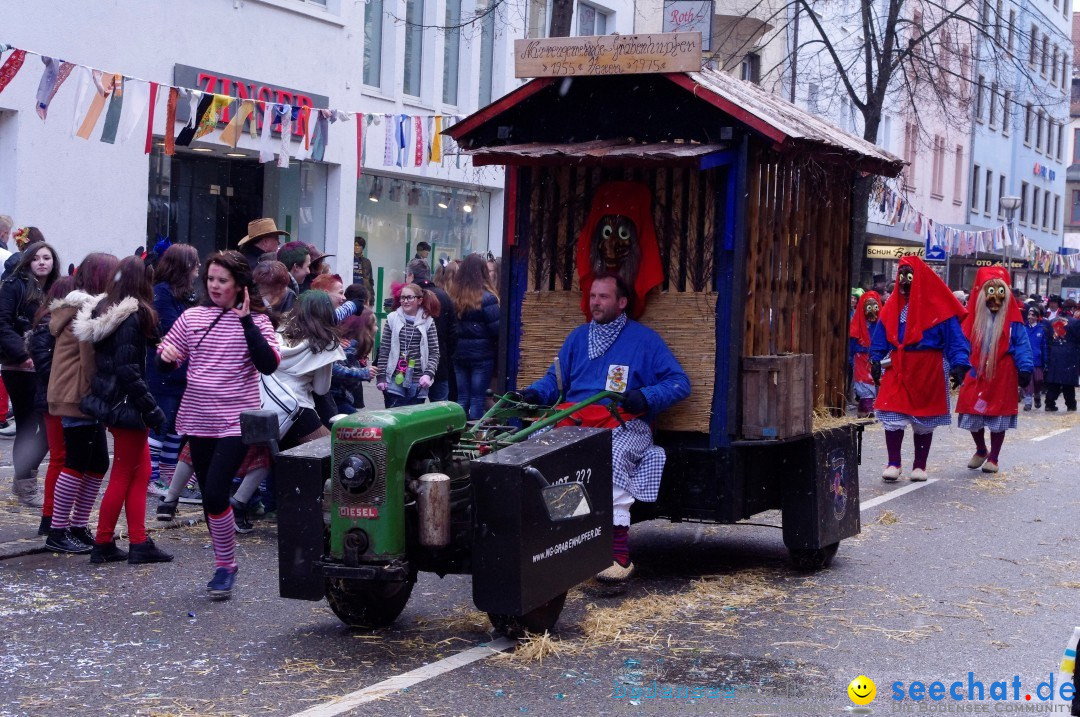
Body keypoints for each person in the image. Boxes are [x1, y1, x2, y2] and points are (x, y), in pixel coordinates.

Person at [520, 273, 690, 583]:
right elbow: (554, 382)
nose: (595, 302)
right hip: (575, 419)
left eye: (603, 296)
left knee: (612, 455)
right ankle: (564, 542)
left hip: (623, 423)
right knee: (538, 452)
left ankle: (618, 554)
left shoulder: (646, 341)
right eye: (593, 296)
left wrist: (646, 396)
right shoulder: (577, 337)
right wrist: (531, 393)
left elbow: (680, 383)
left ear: (622, 302)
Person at [158, 250, 280, 601]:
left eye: (222, 280)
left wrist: (244, 321)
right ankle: (224, 563)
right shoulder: (193, 317)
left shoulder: (257, 322)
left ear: (239, 285)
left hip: (234, 422)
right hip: (197, 418)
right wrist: (165, 359)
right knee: (212, 500)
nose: (214, 285)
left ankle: (225, 566)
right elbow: (167, 361)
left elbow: (269, 364)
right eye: (210, 279)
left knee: (213, 493)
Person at [75, 257, 173, 564]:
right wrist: (152, 410)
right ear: (142, 282)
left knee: (140, 473)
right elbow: (129, 371)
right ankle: (104, 541)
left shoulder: (109, 312)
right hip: (128, 407)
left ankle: (138, 542)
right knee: (123, 474)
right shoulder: (131, 318)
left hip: (114, 404)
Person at [870, 256, 970, 482]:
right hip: (899, 365)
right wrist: (875, 360)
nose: (905, 282)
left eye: (910, 276)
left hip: (928, 368)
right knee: (892, 411)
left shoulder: (939, 308)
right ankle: (893, 462)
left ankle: (919, 465)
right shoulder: (892, 307)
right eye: (902, 276)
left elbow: (956, 340)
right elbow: (880, 336)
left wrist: (959, 364)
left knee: (923, 421)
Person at [45, 253, 120, 554]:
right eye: (112, 274)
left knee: (98, 462)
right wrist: (101, 389)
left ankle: (77, 525)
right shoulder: (85, 309)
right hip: (78, 394)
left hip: (80, 393)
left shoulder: (85, 306)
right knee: (76, 462)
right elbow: (88, 360)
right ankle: (58, 530)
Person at [954, 267, 1033, 474]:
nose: (995, 300)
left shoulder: (1013, 323)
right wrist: (959, 364)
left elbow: (1023, 345)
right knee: (970, 409)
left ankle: (994, 457)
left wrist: (1025, 368)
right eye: (990, 292)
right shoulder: (972, 321)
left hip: (1002, 374)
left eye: (1000, 293)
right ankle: (981, 449)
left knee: (998, 416)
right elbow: (961, 344)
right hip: (975, 371)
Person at [0, 241, 59, 507]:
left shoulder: (55, 289)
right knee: (27, 423)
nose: (42, 262)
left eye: (47, 258)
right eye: (36, 258)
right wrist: (22, 354)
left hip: (47, 365)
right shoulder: (15, 285)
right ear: (28, 262)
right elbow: (1, 322)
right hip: (19, 367)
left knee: (48, 425)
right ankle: (25, 485)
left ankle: (25, 478)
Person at [146, 244, 200, 499]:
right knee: (161, 425)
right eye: (195, 264)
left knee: (176, 429)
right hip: (164, 372)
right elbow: (172, 330)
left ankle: (168, 476)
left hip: (181, 373)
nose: (199, 270)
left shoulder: (181, 295)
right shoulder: (162, 293)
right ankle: (151, 477)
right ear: (183, 267)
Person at [28, 275, 74, 535]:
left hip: (56, 397)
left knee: (63, 457)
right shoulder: (49, 324)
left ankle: (54, 517)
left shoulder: (54, 322)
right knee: (60, 457)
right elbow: (46, 367)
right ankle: (50, 517)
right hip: (53, 400)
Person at [449, 254, 498, 419]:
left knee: (462, 397)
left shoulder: (453, 297)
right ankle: (474, 436)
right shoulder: (488, 298)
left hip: (459, 354)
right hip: (482, 355)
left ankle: (458, 434)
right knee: (477, 398)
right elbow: (496, 329)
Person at [376, 282, 440, 408]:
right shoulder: (392, 319)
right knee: (394, 416)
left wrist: (428, 374)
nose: (405, 301)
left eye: (409, 297)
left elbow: (434, 352)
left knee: (413, 421)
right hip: (395, 377)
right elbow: (384, 349)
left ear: (419, 300)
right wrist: (381, 376)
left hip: (418, 379)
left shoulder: (428, 321)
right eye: (402, 297)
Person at [407, 258, 457, 402]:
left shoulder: (407, 298)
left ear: (410, 276)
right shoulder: (443, 296)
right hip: (440, 363)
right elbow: (453, 333)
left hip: (412, 366)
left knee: (411, 413)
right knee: (441, 411)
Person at [329, 311, 375, 415]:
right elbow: (334, 370)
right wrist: (362, 373)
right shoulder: (350, 346)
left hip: (339, 398)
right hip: (336, 399)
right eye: (374, 325)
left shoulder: (352, 345)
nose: (376, 328)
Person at [848, 290, 882, 418]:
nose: (872, 310)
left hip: (875, 357)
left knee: (873, 379)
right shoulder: (857, 323)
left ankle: (863, 408)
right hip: (861, 356)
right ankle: (867, 407)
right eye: (869, 307)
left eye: (875, 306)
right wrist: (853, 355)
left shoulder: (879, 324)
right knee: (864, 379)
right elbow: (853, 339)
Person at [1044, 300, 1080, 412]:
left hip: (1054, 353)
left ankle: (1049, 403)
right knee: (1068, 382)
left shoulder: (1052, 321)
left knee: (1053, 380)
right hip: (1069, 354)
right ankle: (1070, 404)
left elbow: (1048, 338)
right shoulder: (1075, 322)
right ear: (1072, 309)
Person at [1023, 305, 1048, 410]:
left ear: (1037, 317)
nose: (1030, 317)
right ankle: (1028, 402)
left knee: (1038, 380)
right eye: (1029, 314)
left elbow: (1044, 347)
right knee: (1028, 381)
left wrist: (1045, 361)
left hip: (1038, 360)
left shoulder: (1041, 330)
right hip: (1026, 359)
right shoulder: (1023, 328)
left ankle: (1037, 394)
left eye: (1033, 315)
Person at [353, 236, 374, 304]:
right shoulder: (348, 260)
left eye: (359, 245)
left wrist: (371, 300)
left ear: (363, 248)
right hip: (351, 291)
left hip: (362, 293)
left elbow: (370, 281)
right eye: (355, 245)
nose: (357, 247)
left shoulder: (367, 262)